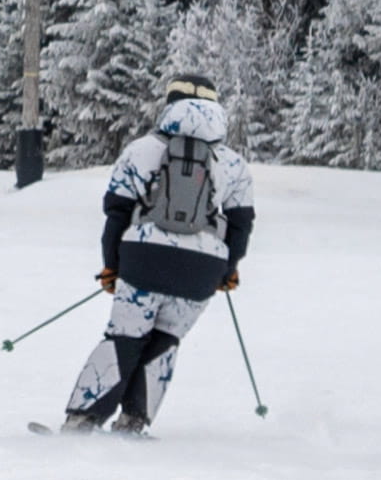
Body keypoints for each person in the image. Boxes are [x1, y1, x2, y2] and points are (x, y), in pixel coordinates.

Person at [58, 77, 257, 435]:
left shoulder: (141, 150)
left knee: (125, 337)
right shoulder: (233, 163)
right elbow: (241, 224)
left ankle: (82, 420)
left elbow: (117, 213)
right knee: (165, 340)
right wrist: (228, 270)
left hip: (143, 259)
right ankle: (133, 422)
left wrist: (111, 266)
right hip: (202, 270)